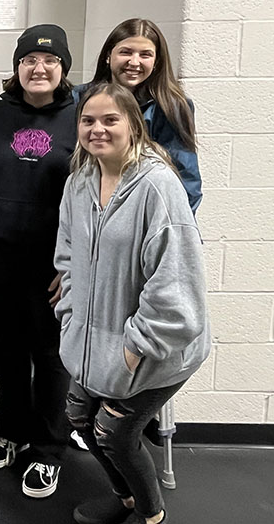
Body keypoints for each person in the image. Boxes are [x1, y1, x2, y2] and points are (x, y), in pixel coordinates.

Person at [56, 81, 210, 524]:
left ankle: (151, 516)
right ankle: (125, 499)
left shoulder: (157, 187)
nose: (97, 129)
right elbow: (67, 254)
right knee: (79, 416)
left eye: (110, 120)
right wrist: (69, 313)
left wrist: (134, 345)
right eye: (88, 120)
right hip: (93, 337)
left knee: (115, 435)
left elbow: (176, 285)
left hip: (153, 348)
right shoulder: (80, 181)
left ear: (133, 126)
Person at [0, 24, 77, 499]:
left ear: (63, 68)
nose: (39, 68)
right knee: (5, 351)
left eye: (49, 61)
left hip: (53, 265)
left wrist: (73, 267)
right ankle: (12, 430)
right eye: (29, 59)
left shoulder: (80, 118)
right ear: (17, 67)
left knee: (50, 358)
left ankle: (48, 449)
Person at [83, 18, 201, 212]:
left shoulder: (171, 107)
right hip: (89, 210)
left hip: (145, 214)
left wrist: (174, 228)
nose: (134, 62)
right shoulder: (80, 98)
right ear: (108, 55)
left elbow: (186, 178)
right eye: (126, 52)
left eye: (145, 55)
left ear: (156, 62)